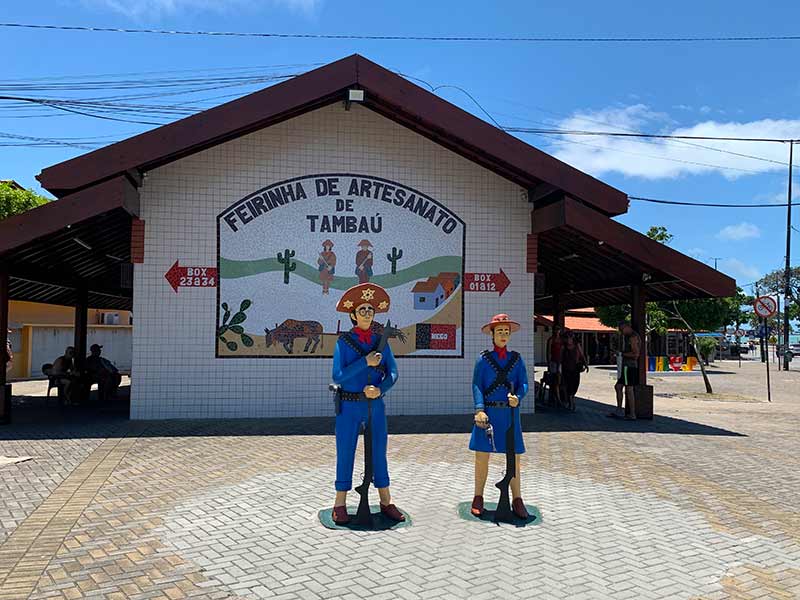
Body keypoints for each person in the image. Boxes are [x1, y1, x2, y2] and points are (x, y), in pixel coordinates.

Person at [330, 282, 403, 525]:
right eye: (362, 311)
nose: (367, 315)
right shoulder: (343, 343)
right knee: (345, 452)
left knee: (379, 453)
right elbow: (338, 376)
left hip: (375, 406)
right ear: (353, 315)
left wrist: (380, 389)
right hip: (349, 406)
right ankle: (340, 503)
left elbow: (393, 373)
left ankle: (386, 501)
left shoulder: (382, 341)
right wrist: (365, 362)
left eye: (370, 311)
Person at [470, 313, 530, 519]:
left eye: (507, 332)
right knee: (481, 457)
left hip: (510, 414)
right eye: (500, 331)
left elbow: (524, 383)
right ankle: (478, 496)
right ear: (492, 334)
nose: (503, 335)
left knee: (514, 459)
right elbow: (477, 384)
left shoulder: (517, 359)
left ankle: (517, 498)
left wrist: (518, 397)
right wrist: (479, 408)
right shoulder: (483, 359)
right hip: (487, 413)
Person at [611, 321, 641, 420]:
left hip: (629, 366)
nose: (621, 332)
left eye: (622, 329)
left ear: (627, 327)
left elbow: (635, 354)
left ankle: (632, 413)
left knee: (629, 389)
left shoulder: (633, 337)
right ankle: (619, 409)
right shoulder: (627, 337)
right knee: (618, 387)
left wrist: (621, 354)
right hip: (626, 366)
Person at [560, 330, 588, 412]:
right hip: (566, 368)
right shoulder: (563, 347)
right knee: (568, 385)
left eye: (570, 338)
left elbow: (582, 355)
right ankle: (571, 402)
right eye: (567, 338)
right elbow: (560, 358)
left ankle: (571, 400)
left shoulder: (577, 345)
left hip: (575, 368)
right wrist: (559, 368)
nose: (569, 340)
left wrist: (585, 364)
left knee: (575, 384)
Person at [545, 324, 563, 406]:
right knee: (553, 380)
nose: (557, 331)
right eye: (555, 329)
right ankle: (554, 398)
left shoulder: (561, 340)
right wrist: (548, 363)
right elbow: (548, 352)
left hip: (559, 362)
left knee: (558, 380)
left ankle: (558, 398)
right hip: (553, 362)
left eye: (558, 329)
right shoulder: (551, 340)